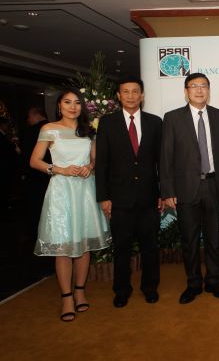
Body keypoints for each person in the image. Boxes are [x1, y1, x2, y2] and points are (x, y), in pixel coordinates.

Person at [30, 89, 110, 321]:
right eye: (67, 102)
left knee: (83, 244)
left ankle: (80, 291)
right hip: (61, 192)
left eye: (77, 103)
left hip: (85, 190)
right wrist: (59, 169)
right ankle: (66, 297)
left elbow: (95, 159)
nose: (73, 107)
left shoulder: (88, 131)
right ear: (59, 106)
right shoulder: (49, 129)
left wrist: (89, 167)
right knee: (64, 246)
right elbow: (34, 161)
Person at [161, 72, 219, 304]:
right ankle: (193, 283)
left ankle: (213, 280)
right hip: (185, 188)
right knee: (189, 240)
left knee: (214, 239)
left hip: (213, 185)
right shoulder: (173, 118)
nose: (199, 90)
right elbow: (166, 156)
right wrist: (168, 191)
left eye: (204, 86)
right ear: (186, 91)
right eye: (194, 86)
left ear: (208, 90)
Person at [95, 77, 163, 308]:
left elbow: (161, 161)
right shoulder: (107, 123)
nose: (131, 96)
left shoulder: (155, 122)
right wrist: (103, 196)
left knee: (150, 248)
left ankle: (150, 288)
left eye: (135, 91)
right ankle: (121, 290)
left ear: (142, 95)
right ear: (118, 95)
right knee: (122, 248)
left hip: (149, 197)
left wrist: (163, 192)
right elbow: (102, 163)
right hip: (119, 199)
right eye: (126, 91)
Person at [21, 107, 50, 238]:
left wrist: (23, 173)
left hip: (35, 176)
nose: (28, 120)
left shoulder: (31, 131)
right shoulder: (56, 128)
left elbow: (27, 156)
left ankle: (37, 235)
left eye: (29, 117)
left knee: (36, 208)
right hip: (54, 175)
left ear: (36, 115)